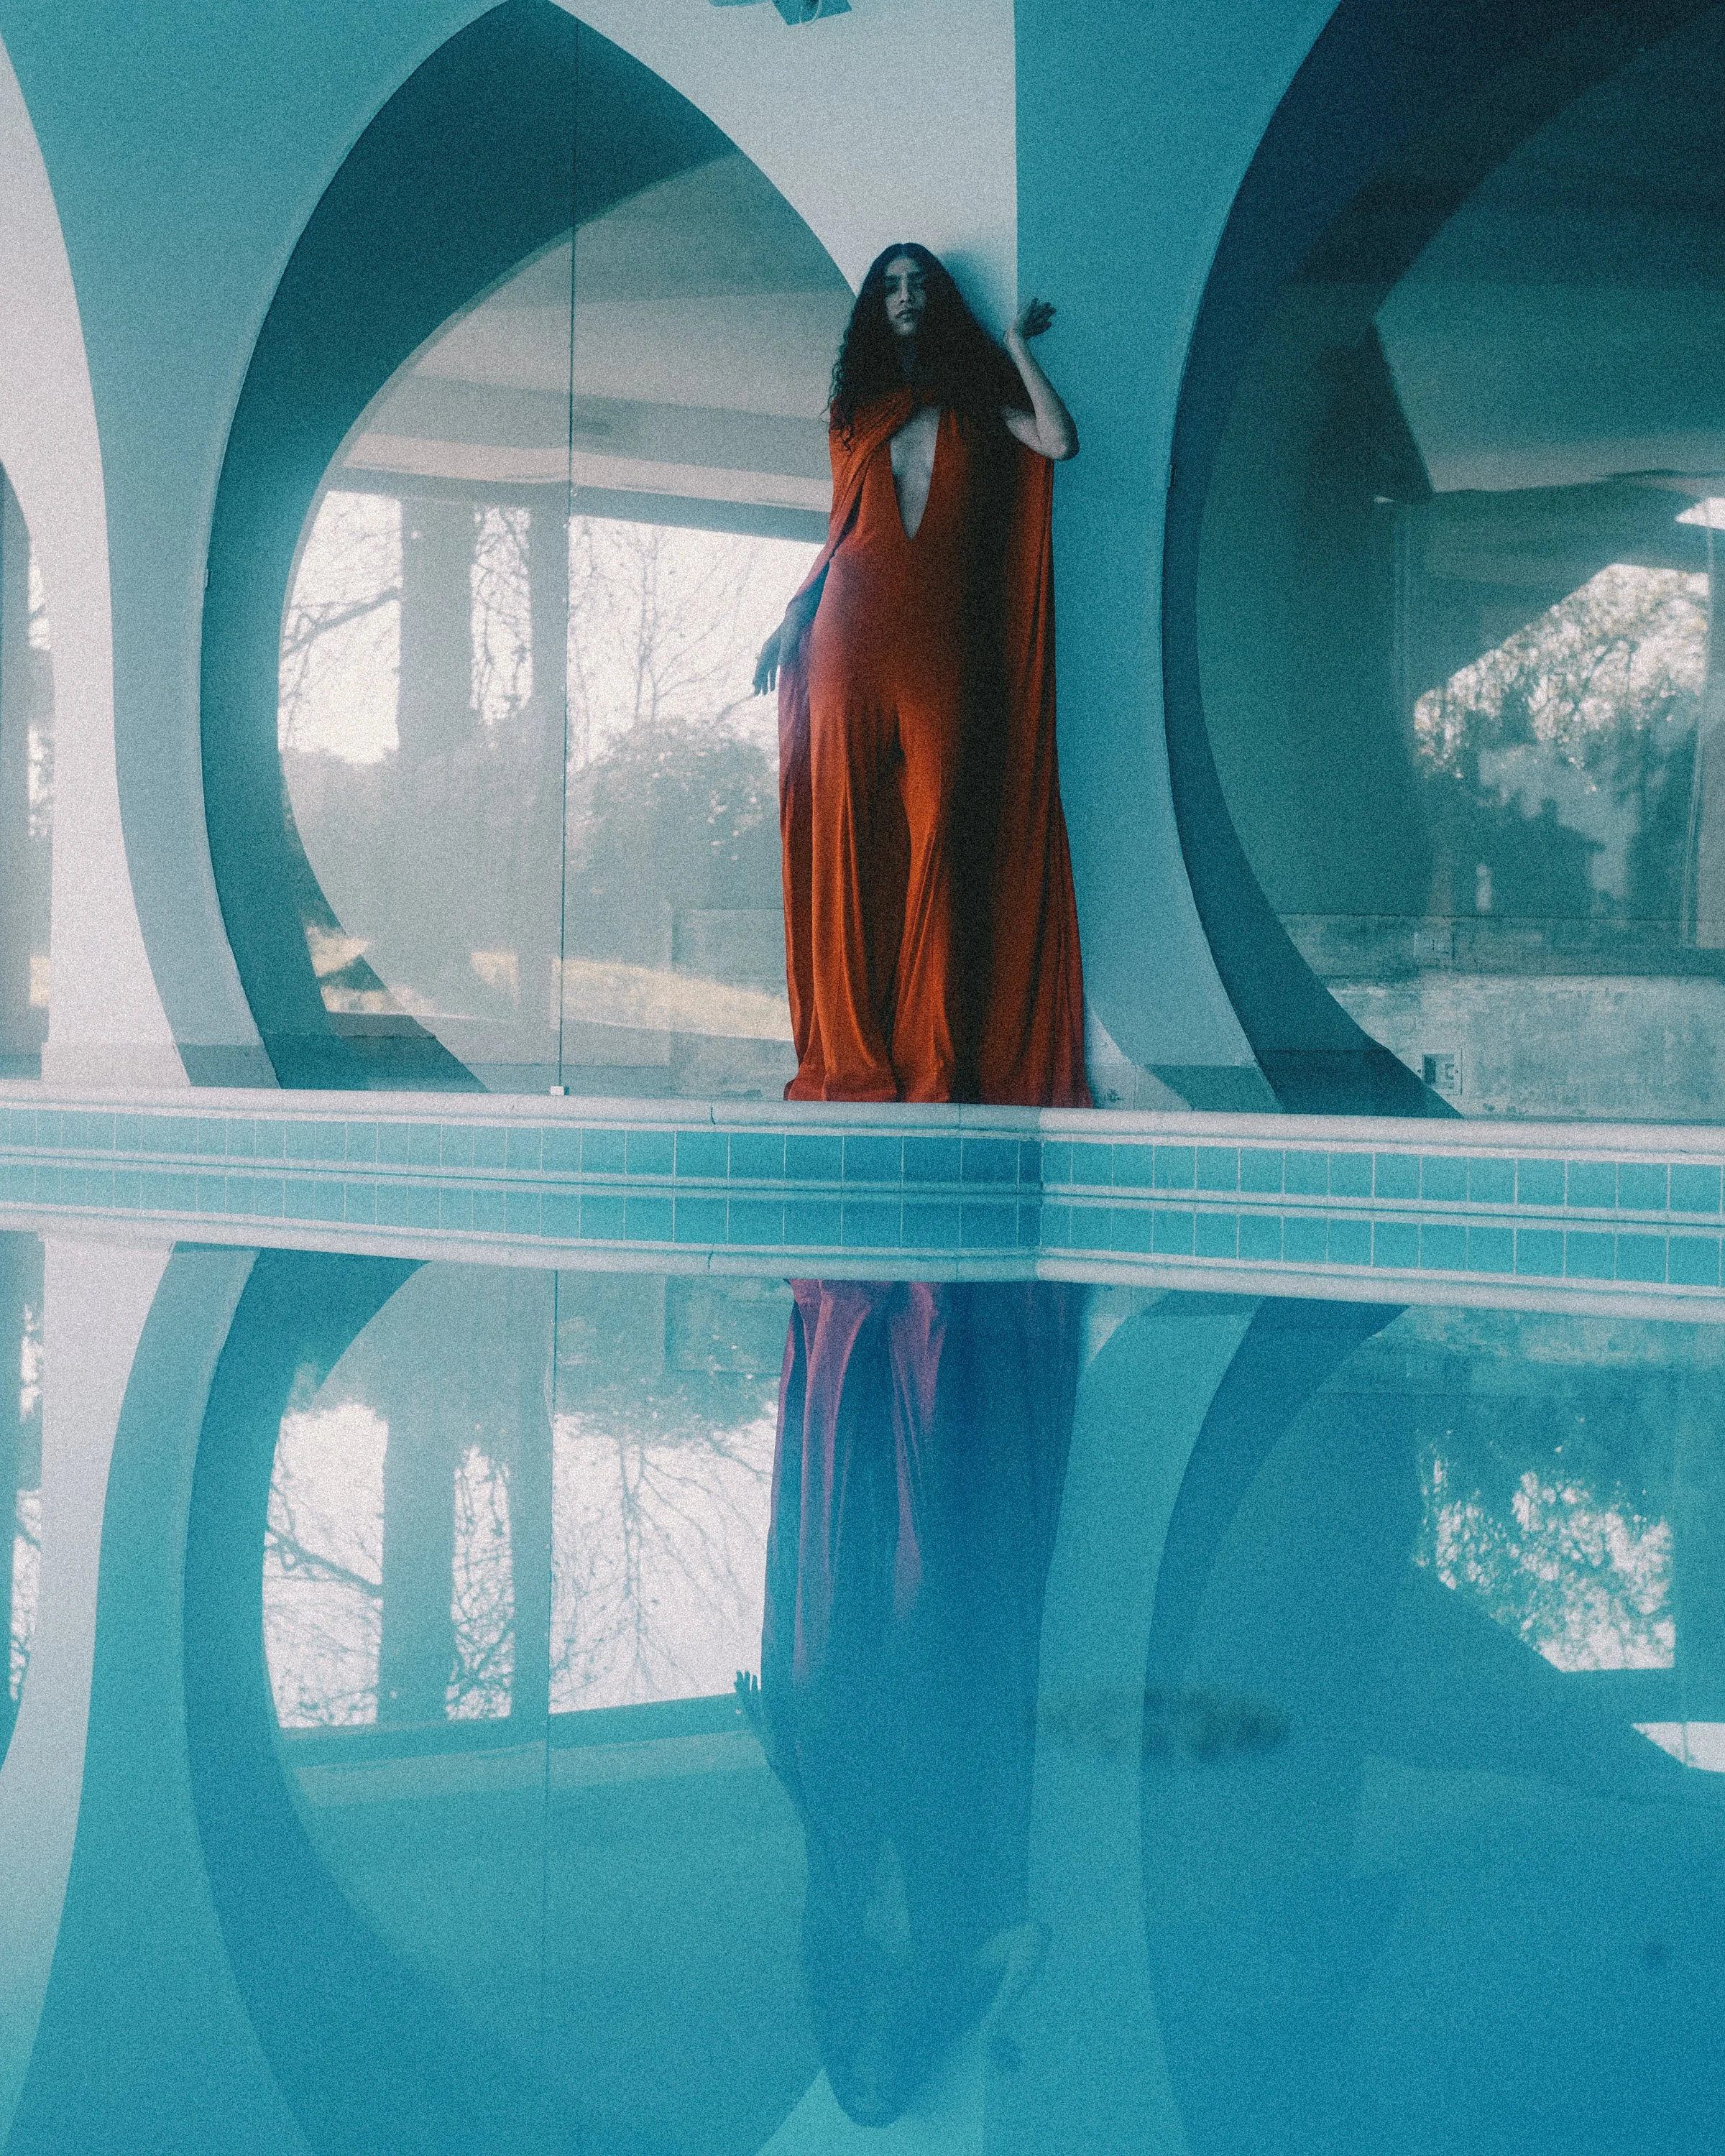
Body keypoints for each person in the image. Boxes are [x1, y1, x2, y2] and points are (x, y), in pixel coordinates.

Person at [738, 1277, 1082, 2126]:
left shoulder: (839, 1936)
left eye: (859, 2061)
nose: (874, 2054)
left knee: (856, 1517)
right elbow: (1030, 1930)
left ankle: (864, 1305)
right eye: (889, 2068)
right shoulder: (975, 1946)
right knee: (936, 1530)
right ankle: (949, 1306)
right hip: (939, 1697)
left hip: (841, 1710)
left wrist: (779, 1736)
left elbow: (823, 1826)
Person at [755, 244, 1090, 1106]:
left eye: (919, 285)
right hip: (844, 637)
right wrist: (793, 618)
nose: (905, 297)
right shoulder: (852, 410)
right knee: (849, 845)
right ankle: (853, 1060)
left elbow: (1059, 441)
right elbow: (837, 535)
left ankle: (935, 1065)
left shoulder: (979, 404)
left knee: (941, 839)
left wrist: (1017, 346)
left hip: (942, 645)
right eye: (891, 287)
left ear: (939, 300)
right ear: (876, 306)